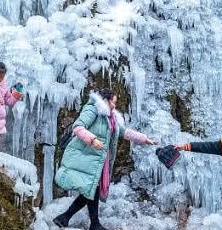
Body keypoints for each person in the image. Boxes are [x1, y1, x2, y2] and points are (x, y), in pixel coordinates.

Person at [53, 89, 157, 230]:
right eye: (113, 102)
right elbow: (78, 127)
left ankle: (73, 220)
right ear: (105, 100)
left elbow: (124, 132)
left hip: (98, 161)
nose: (114, 105)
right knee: (90, 191)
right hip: (86, 158)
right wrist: (92, 140)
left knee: (91, 191)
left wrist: (145, 139)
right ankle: (74, 219)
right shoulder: (92, 110)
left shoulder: (111, 118)